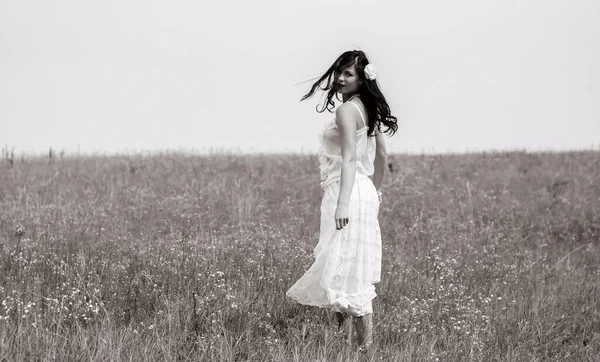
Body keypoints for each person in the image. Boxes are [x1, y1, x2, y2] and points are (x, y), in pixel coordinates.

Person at [286, 50, 398, 349]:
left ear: (362, 79)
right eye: (339, 71)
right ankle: (350, 344)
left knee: (343, 269)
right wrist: (374, 191)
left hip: (346, 190)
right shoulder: (366, 108)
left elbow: (349, 159)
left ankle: (360, 347)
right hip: (364, 190)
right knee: (348, 267)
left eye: (348, 74)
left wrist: (344, 203)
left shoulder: (347, 111)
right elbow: (383, 155)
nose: (340, 78)